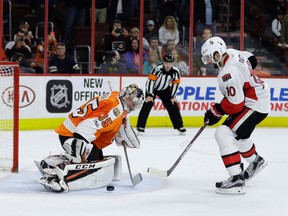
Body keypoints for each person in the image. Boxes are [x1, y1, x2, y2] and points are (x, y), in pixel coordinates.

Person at [36, 84, 144, 192]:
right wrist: (78, 153)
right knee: (89, 165)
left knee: (97, 159)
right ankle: (56, 178)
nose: (133, 106)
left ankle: (53, 163)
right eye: (133, 102)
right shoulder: (115, 111)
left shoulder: (115, 97)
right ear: (126, 97)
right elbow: (86, 126)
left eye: (135, 104)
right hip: (72, 135)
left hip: (73, 130)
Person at [200, 36, 270, 194]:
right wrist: (245, 76)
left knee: (224, 133)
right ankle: (256, 161)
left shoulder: (227, 73)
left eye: (208, 57)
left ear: (217, 54)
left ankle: (237, 179)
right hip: (258, 97)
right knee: (239, 136)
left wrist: (216, 110)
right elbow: (251, 59)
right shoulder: (231, 52)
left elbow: (235, 104)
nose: (208, 61)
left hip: (254, 104)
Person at [136, 54, 186, 135]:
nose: (168, 65)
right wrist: (150, 95)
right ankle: (140, 127)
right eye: (166, 63)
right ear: (163, 62)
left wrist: (173, 96)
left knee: (173, 105)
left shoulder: (176, 71)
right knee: (148, 104)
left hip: (164, 90)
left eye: (170, 63)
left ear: (173, 63)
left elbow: (175, 84)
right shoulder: (157, 69)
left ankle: (179, 126)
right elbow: (150, 82)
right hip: (152, 89)